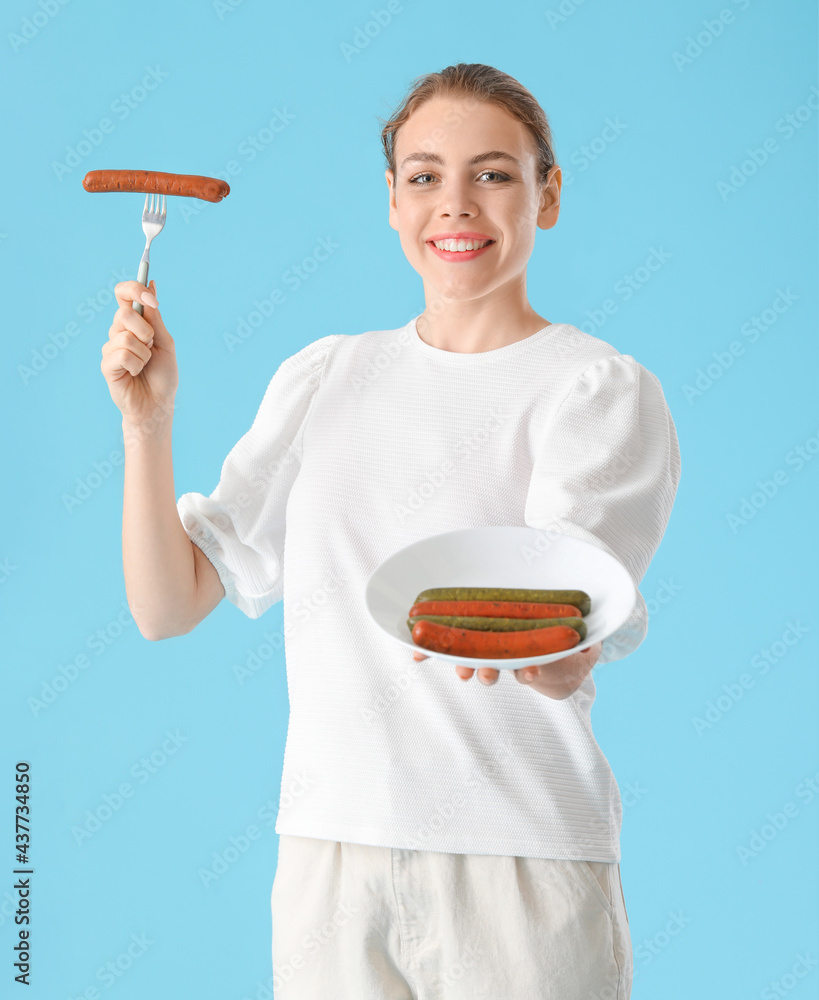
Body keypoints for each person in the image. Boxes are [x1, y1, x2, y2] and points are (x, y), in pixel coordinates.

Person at [101, 62, 680, 1000]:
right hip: (330, 857)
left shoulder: (591, 388)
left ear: (549, 192)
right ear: (390, 198)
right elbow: (166, 606)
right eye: (423, 176)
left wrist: (552, 653)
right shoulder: (329, 376)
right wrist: (146, 421)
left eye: (492, 173)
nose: (455, 205)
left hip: (517, 859)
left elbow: (577, 622)